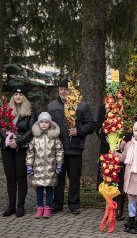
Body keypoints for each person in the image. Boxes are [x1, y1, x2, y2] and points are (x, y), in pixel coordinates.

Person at [47, 78, 95, 214]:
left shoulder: (82, 106)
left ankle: (74, 205)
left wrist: (78, 131)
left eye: (66, 89)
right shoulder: (51, 106)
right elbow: (44, 125)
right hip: (57, 149)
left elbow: (91, 124)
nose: (63, 91)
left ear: (72, 90)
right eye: (61, 89)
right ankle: (57, 204)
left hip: (75, 148)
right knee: (58, 178)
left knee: (74, 178)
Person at [0, 86, 37, 217]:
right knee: (10, 177)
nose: (18, 97)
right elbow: (1, 127)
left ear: (25, 97)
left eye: (20, 95)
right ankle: (11, 207)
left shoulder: (31, 110)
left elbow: (32, 130)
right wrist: (8, 140)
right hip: (7, 148)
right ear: (13, 96)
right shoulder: (5, 110)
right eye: (15, 94)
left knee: (21, 177)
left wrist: (18, 141)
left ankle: (20, 206)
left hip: (22, 148)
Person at [26, 112, 64, 219]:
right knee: (38, 189)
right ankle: (39, 208)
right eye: (41, 122)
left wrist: (59, 164)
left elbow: (59, 151)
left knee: (49, 188)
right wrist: (29, 165)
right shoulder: (35, 138)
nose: (44, 124)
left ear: (50, 124)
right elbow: (30, 152)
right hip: (37, 168)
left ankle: (47, 208)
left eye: (46, 122)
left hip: (50, 168)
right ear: (38, 124)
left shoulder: (54, 138)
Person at [95, 104, 126, 221]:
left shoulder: (126, 105)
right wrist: (107, 139)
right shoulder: (105, 106)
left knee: (121, 177)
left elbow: (131, 126)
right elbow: (98, 126)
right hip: (107, 146)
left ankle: (120, 208)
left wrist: (124, 140)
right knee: (108, 176)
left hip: (121, 148)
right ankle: (110, 205)